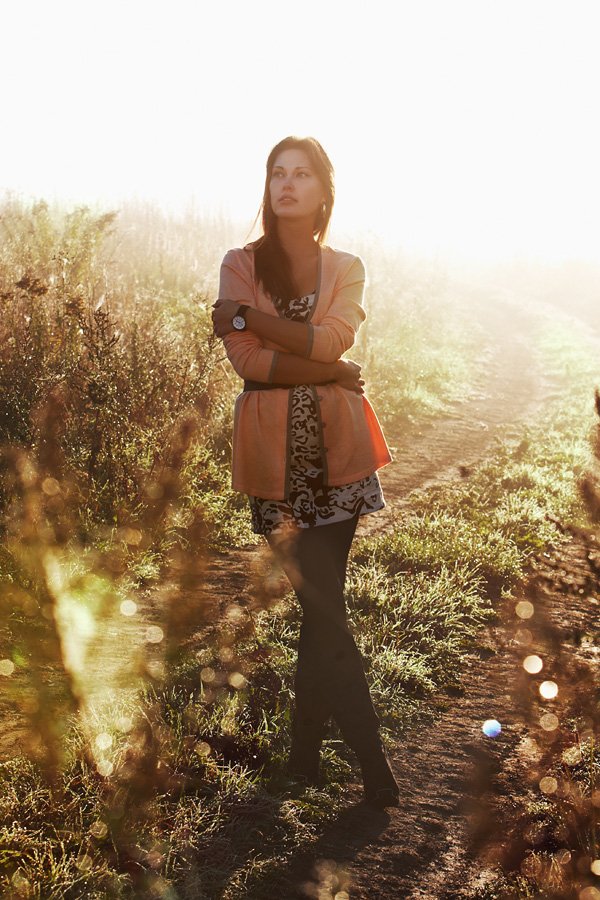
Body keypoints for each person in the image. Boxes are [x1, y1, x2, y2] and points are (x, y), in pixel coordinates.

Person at [211, 136, 399, 807]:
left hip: (338, 459)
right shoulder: (239, 262)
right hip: (274, 463)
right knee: (322, 609)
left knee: (324, 609)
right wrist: (329, 372)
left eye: (301, 174)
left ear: (323, 191)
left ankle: (334, 765)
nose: (286, 184)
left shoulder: (347, 267)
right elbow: (248, 362)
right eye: (277, 174)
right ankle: (341, 761)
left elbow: (329, 340)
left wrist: (248, 317)